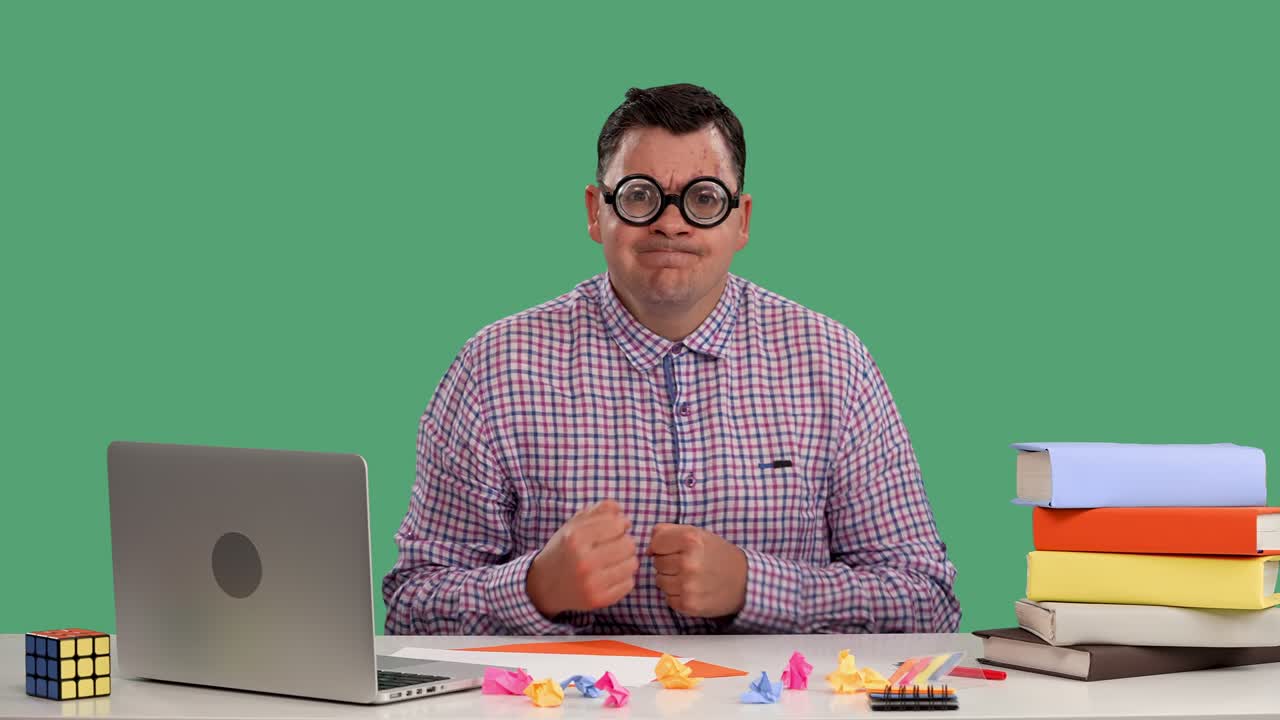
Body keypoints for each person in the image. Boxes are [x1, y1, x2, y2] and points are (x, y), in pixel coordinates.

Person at [383, 83, 961, 635]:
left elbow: (926, 599)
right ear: (595, 211)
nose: (670, 221)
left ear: (742, 220)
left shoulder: (832, 362)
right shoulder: (495, 368)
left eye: (704, 198)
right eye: (639, 195)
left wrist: (755, 587)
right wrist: (534, 589)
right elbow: (411, 605)